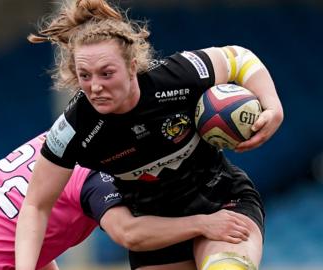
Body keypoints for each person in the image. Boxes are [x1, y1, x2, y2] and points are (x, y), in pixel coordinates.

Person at [15, 0, 284, 269]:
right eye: (85, 75)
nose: (95, 86)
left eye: (106, 73)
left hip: (222, 202)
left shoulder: (176, 77)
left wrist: (273, 106)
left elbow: (238, 57)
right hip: (158, 232)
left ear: (132, 66)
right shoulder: (74, 127)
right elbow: (35, 206)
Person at [0, 133, 250, 270]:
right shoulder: (98, 176)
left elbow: (28, 220)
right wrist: (203, 223)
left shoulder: (56, 140)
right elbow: (128, 233)